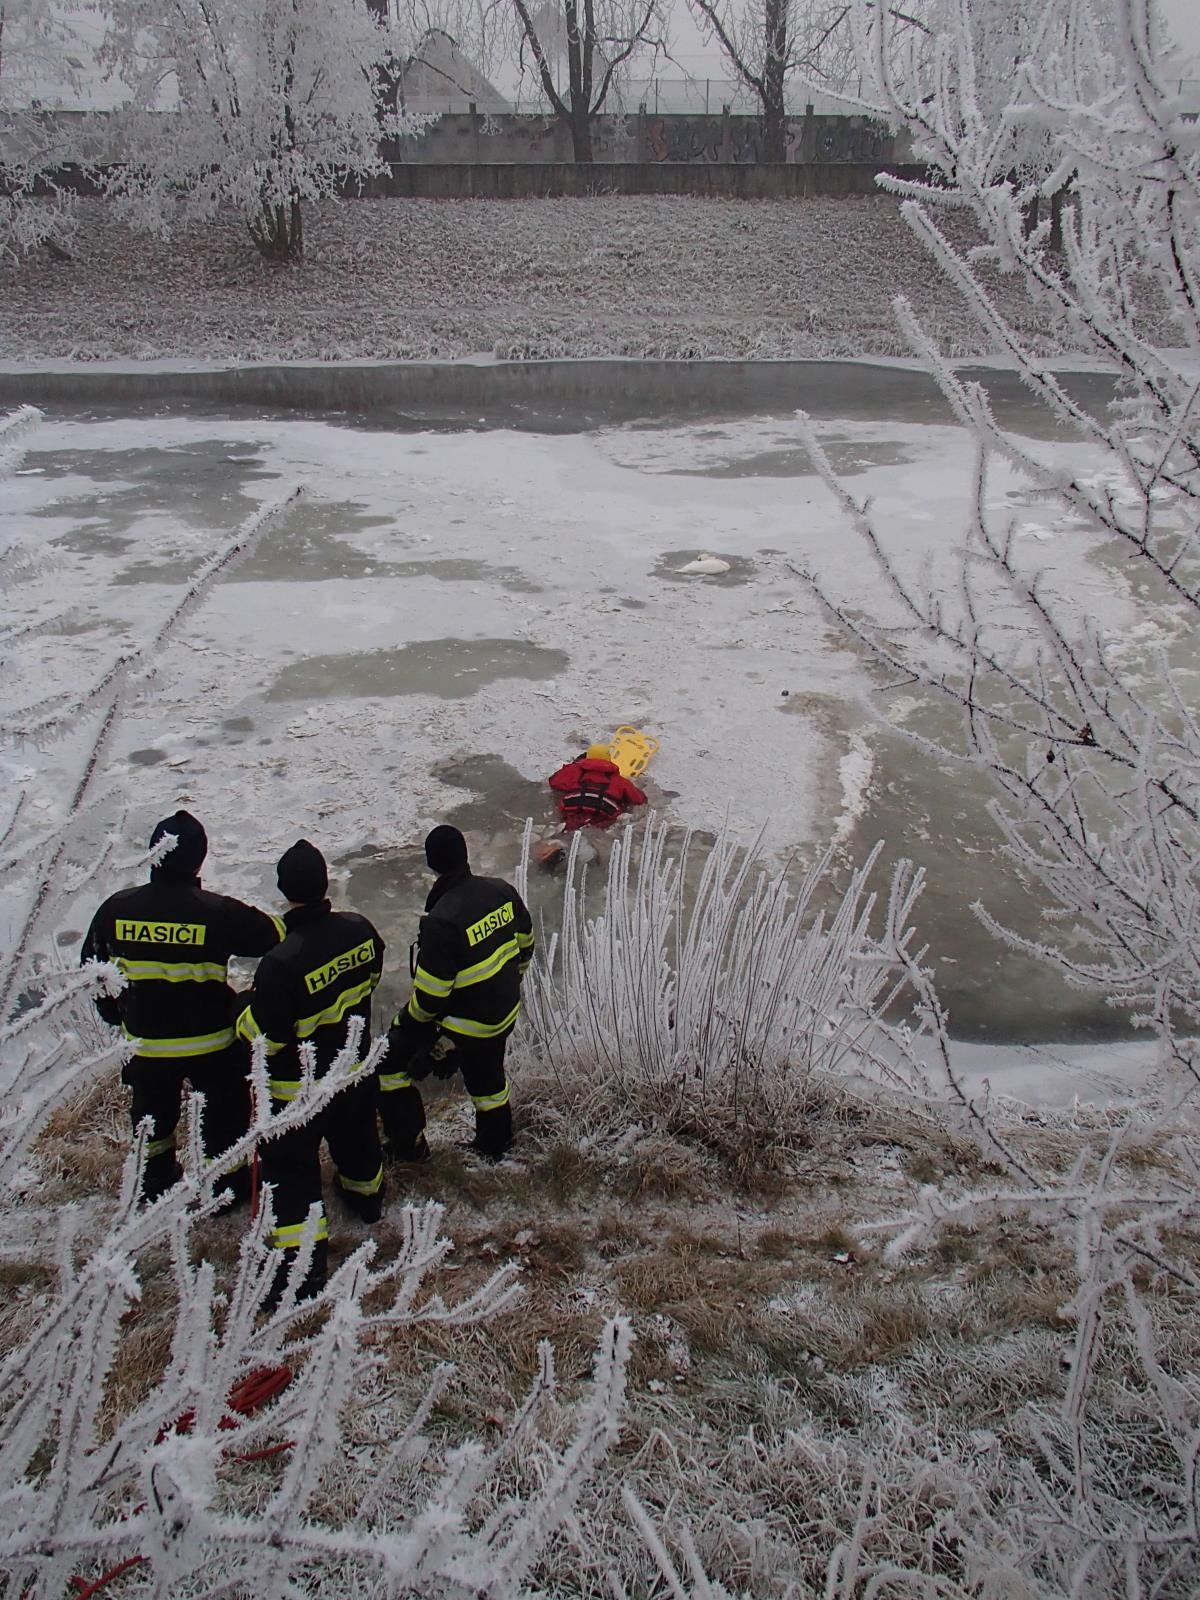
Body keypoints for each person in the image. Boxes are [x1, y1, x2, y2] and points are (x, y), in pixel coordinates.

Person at [80, 810, 282, 1204]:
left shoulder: (115, 909)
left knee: (151, 1125)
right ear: (199, 859)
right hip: (211, 1044)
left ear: (153, 854)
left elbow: (93, 971)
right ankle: (225, 1188)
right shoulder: (214, 911)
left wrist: (118, 1018)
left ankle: (153, 1187)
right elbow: (274, 936)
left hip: (146, 1046)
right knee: (224, 1120)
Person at [235, 840, 386, 1300]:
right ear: (325, 884)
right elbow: (372, 977)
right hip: (353, 1069)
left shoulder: (282, 962)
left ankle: (303, 1270)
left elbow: (267, 1036)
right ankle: (367, 1201)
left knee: (293, 1172)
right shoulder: (361, 930)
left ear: (284, 890)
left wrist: (243, 1012)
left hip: (297, 1089)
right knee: (358, 1140)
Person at [380, 826, 534, 1162]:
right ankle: (496, 1145)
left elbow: (431, 999)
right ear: (464, 855)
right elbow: (526, 945)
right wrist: (504, 987)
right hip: (504, 1011)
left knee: (390, 1062)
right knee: (488, 1077)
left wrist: (409, 1024)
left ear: (432, 865)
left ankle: (408, 1148)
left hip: (467, 1024)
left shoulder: (441, 921)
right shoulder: (502, 891)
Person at [548, 743, 647, 831]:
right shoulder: (619, 781)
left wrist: (574, 765)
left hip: (571, 812)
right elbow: (639, 799)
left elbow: (553, 781)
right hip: (602, 816)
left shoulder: (573, 771)